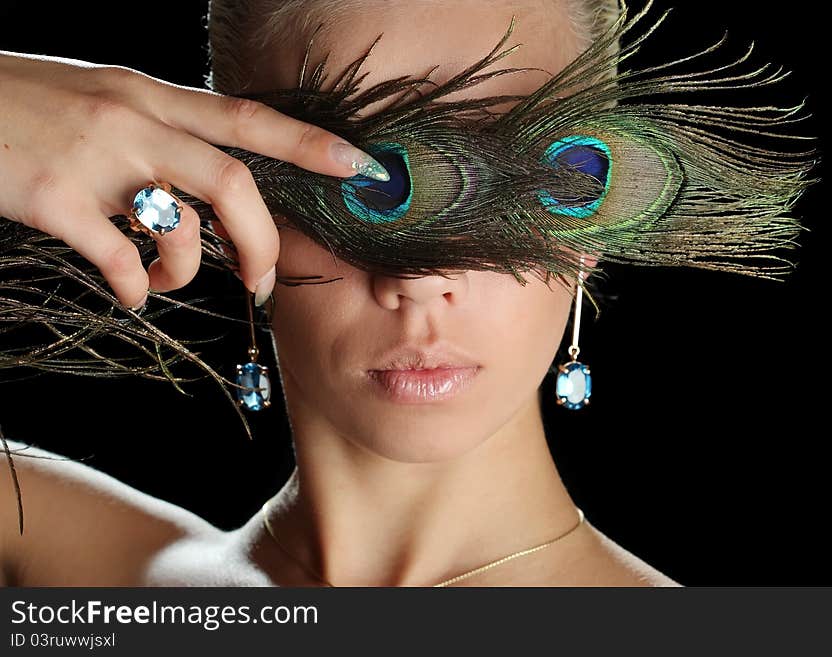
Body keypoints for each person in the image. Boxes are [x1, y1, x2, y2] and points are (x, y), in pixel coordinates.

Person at [0, 0, 702, 587]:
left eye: (506, 183)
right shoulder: (55, 558)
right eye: (361, 184)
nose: (421, 282)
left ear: (596, 209)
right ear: (228, 202)